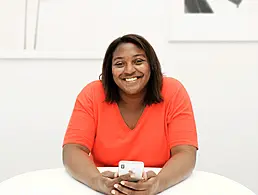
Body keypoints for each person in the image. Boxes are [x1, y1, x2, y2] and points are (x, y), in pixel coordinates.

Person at [62, 34, 198, 195]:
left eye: (138, 61)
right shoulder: (92, 94)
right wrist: (98, 182)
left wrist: (156, 185)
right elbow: (72, 150)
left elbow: (186, 153)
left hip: (163, 185)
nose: (129, 70)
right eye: (119, 64)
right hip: (103, 188)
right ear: (109, 70)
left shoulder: (174, 91)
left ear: (152, 65)